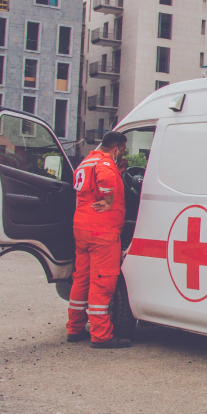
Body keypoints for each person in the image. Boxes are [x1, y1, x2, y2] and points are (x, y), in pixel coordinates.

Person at [68, 131, 132, 349]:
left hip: (82, 228)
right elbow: (104, 180)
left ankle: (74, 328)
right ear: (115, 148)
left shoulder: (87, 161)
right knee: (102, 282)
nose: (123, 153)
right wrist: (109, 199)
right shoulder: (104, 162)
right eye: (123, 149)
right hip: (102, 230)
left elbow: (92, 184)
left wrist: (118, 172)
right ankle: (101, 335)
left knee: (81, 279)